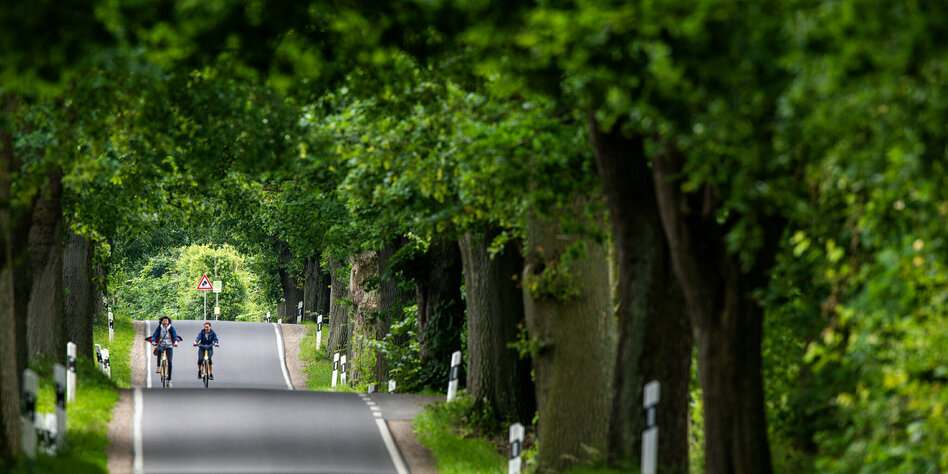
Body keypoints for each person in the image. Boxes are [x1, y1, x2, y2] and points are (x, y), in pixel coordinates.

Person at [148, 316, 181, 388]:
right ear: (161, 322)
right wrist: (153, 341)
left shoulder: (171, 328)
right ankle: (158, 366)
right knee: (159, 350)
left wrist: (175, 342)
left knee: (170, 362)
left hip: (169, 345)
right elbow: (154, 335)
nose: (165, 322)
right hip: (161, 344)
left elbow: (175, 335)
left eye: (166, 321)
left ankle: (169, 380)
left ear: (168, 322)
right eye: (164, 321)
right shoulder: (159, 327)